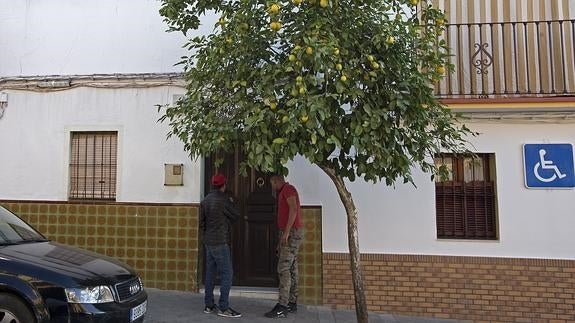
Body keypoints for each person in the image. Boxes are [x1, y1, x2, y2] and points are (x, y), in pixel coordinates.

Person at [200, 174, 242, 318]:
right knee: (227, 274)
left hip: (208, 241)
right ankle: (223, 307)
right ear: (224, 185)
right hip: (220, 242)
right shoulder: (224, 200)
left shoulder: (205, 200)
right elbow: (236, 215)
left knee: (210, 273)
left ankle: (209, 305)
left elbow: (201, 223)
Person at [265, 175, 304, 318]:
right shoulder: (284, 191)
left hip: (292, 233)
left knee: (283, 268)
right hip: (289, 233)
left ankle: (282, 306)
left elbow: (293, 209)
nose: (271, 187)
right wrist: (282, 237)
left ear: (277, 181)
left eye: (271, 183)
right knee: (292, 268)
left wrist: (287, 232)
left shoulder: (288, 189)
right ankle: (292, 303)